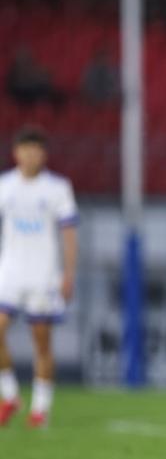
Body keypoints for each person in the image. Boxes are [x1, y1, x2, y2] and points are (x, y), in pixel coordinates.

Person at [0, 126, 79, 428]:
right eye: (25, 150)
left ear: (43, 155)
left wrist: (68, 273)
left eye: (36, 150)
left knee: (41, 342)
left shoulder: (57, 188)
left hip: (43, 274)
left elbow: (69, 234)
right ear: (16, 153)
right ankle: (10, 396)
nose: (31, 155)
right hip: (10, 271)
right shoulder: (5, 186)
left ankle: (40, 408)